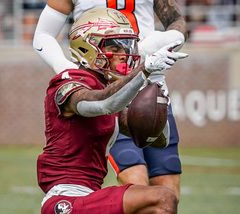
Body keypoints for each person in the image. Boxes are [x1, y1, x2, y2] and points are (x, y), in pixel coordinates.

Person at [33, 0, 188, 203]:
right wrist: (68, 71)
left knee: (167, 191)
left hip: (150, 87)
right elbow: (105, 104)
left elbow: (177, 22)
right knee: (136, 180)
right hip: (103, 87)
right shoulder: (74, 86)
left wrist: (160, 44)